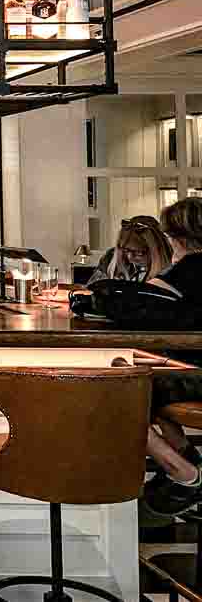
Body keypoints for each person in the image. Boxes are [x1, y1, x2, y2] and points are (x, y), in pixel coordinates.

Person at [136, 198, 202, 515]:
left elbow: (133, 306)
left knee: (122, 394)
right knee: (149, 378)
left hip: (197, 375)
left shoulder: (189, 269)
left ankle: (185, 474)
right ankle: (185, 453)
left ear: (176, 237)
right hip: (192, 371)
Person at [86, 215, 172, 285]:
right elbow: (92, 288)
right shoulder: (110, 257)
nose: (130, 257)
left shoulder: (171, 271)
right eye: (125, 250)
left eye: (138, 252)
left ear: (155, 250)